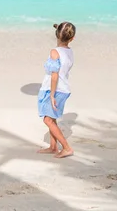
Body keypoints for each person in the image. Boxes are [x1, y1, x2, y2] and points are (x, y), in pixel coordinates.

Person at [37, 22, 76, 158]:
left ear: (56, 35)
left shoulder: (54, 52)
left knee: (47, 120)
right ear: (72, 38)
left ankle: (66, 148)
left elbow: (55, 75)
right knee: (52, 118)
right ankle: (53, 147)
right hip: (63, 88)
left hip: (55, 89)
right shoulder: (69, 52)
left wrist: (52, 95)